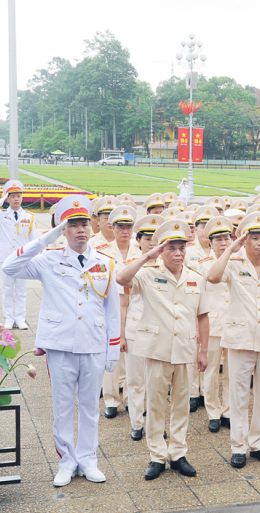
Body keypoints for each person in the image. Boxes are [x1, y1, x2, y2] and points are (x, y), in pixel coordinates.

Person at [1, 195, 120, 487]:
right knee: (63, 406)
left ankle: (88, 459)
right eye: (72, 225)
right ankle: (66, 461)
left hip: (93, 343)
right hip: (60, 345)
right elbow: (9, 267)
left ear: (91, 226)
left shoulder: (105, 263)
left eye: (83, 224)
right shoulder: (48, 258)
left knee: (90, 406)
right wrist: (44, 240)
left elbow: (112, 310)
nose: (80, 230)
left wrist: (112, 348)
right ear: (63, 230)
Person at [115, 219, 210, 481]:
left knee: (181, 405)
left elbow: (203, 316)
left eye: (182, 248)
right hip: (157, 349)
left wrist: (204, 351)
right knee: (155, 405)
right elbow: (121, 278)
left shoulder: (195, 278)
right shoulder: (147, 274)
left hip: (185, 349)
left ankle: (178, 453)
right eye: (172, 248)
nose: (178, 253)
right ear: (161, 250)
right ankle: (156, 455)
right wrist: (149, 256)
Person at [206, 213, 260, 468]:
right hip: (240, 338)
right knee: (239, 396)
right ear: (245, 239)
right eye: (255, 238)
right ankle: (238, 446)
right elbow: (212, 276)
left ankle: (259, 443)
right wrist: (232, 248)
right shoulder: (233, 262)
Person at [122, 215, 165, 441]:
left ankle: (156, 425)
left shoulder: (166, 268)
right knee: (136, 380)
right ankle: (137, 422)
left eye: (155, 239)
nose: (151, 243)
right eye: (147, 238)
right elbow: (123, 304)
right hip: (135, 329)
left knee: (156, 383)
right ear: (138, 241)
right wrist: (120, 335)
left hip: (159, 332)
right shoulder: (132, 267)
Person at [97, 206, 141, 420]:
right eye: (120, 227)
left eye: (129, 227)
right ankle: (111, 399)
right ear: (112, 228)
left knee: (133, 357)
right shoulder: (104, 252)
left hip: (135, 306)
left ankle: (132, 399)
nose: (125, 231)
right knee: (113, 354)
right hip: (112, 307)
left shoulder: (140, 250)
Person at [0, 180, 39, 329]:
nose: (16, 199)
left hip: (21, 258)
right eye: (12, 196)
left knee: (21, 290)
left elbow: (34, 241)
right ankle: (8, 318)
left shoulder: (29, 217)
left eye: (18, 195)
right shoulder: (0, 215)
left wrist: (34, 259)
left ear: (22, 197)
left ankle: (20, 318)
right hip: (5, 257)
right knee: (7, 288)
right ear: (8, 198)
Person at [194, 216, 234, 433]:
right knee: (210, 373)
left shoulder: (237, 263)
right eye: (218, 239)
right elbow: (197, 301)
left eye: (226, 238)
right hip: (213, 325)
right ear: (210, 243)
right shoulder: (202, 267)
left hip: (235, 324)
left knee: (232, 371)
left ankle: (228, 410)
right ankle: (213, 412)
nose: (223, 243)